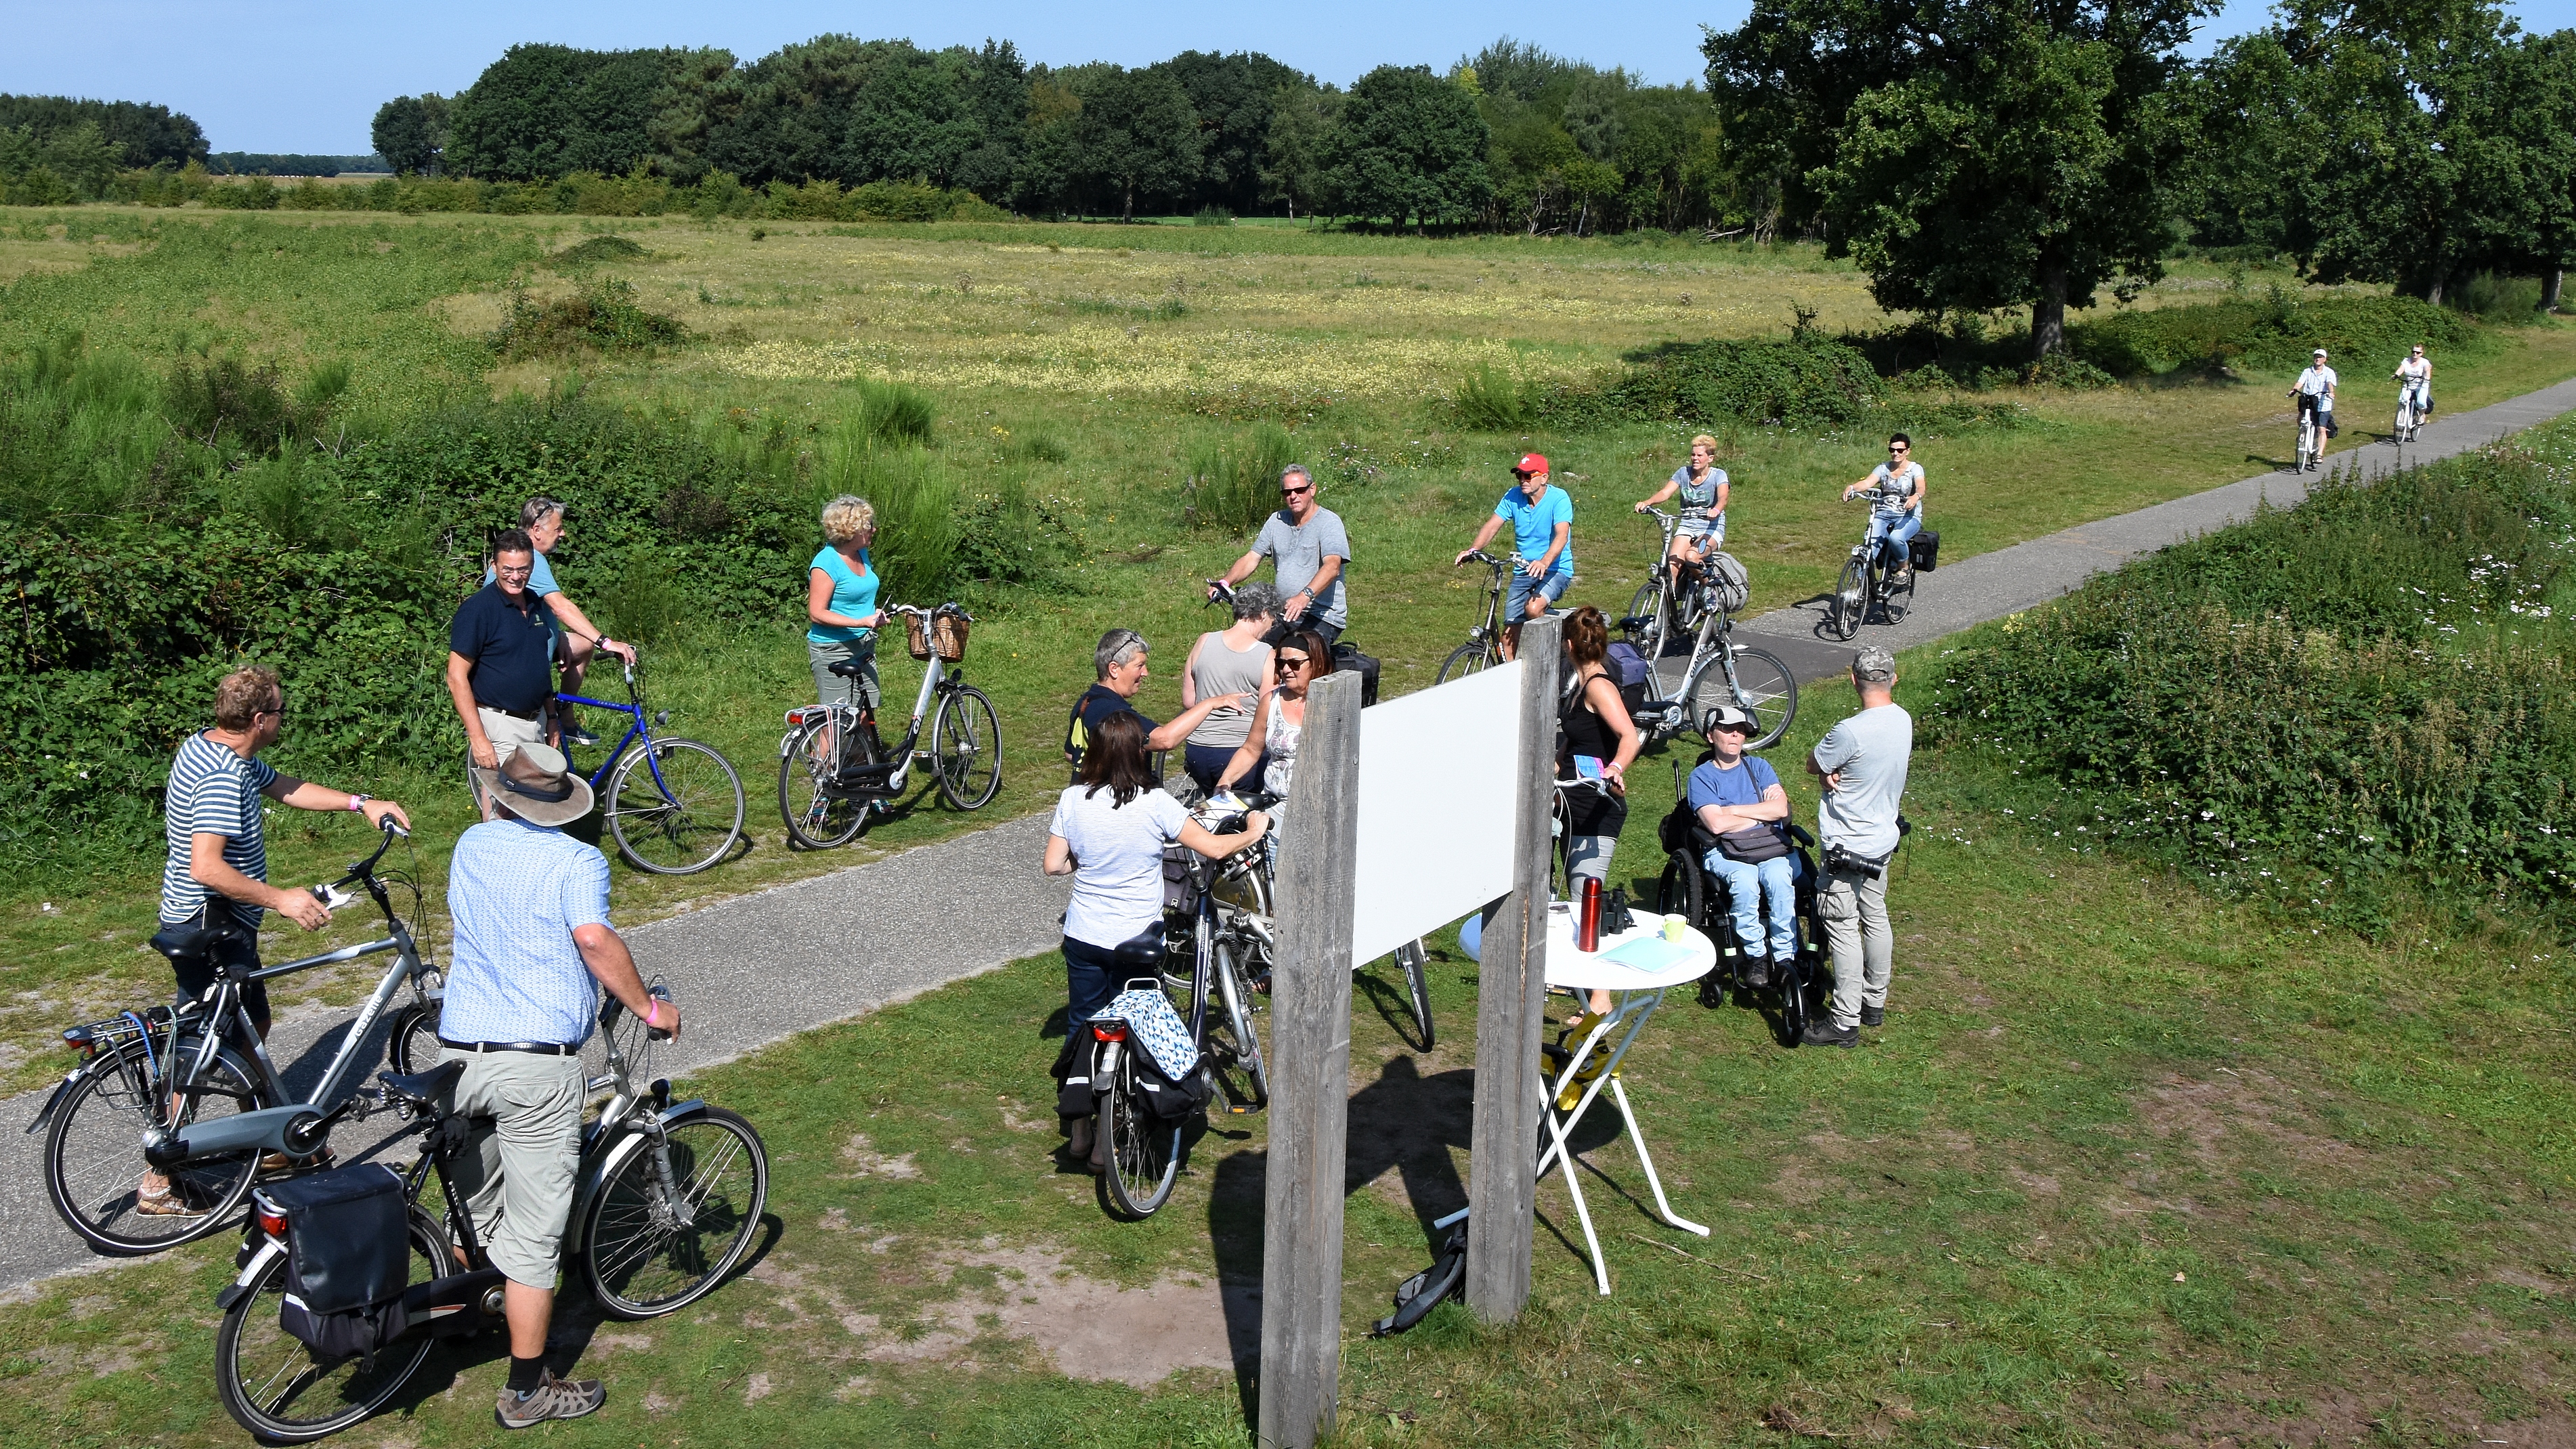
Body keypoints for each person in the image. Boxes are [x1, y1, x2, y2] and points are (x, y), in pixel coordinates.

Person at [442, 742, 675, 1427]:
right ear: (562, 805)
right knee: (535, 1237)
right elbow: (593, 941)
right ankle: (526, 1391)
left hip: (459, 1055)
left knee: (476, 1206)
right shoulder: (578, 860)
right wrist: (650, 1009)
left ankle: (465, 1315)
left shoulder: (471, 844)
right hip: (533, 1067)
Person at [141, 664, 411, 1215]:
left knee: (249, 1025)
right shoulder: (222, 777)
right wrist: (280, 898)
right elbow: (206, 867)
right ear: (261, 719)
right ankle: (160, 1177)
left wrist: (361, 803)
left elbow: (284, 787)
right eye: (281, 711)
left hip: (210, 919)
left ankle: (267, 1141)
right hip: (210, 922)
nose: (284, 718)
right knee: (204, 1042)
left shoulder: (214, 748)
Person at [1043, 712, 1268, 1169]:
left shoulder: (1072, 799)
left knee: (1083, 1024)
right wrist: (1254, 830)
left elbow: (1054, 865)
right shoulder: (1155, 803)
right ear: (1139, 755)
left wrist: (1088, 862)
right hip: (1135, 938)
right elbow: (1214, 848)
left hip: (1084, 934)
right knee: (1134, 1027)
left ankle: (1080, 1131)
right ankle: (1111, 1140)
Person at [1802, 646, 1912, 1049]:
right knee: (1876, 915)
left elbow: (1814, 764)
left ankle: (1845, 1020)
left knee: (1843, 926)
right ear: (1893, 679)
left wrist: (1826, 775)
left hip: (1846, 847)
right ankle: (1874, 1001)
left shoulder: (1848, 732)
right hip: (1882, 841)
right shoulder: (1903, 720)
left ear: (1853, 680)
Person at [482, 498, 635, 745]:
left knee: (582, 645)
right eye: (558, 528)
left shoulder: (524, 558)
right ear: (536, 530)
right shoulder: (528, 560)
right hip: (513, 663)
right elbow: (561, 607)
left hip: (525, 647)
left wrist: (558, 635)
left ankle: (566, 719)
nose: (562, 534)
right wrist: (606, 643)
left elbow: (536, 605)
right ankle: (555, 723)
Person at [1555, 605, 1640, 1020]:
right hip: (1573, 805)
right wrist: (1556, 764)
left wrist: (1616, 768)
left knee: (1586, 901)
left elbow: (1629, 736)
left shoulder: (1598, 687)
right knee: (1577, 898)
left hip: (1596, 810)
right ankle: (1580, 978)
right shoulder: (1580, 682)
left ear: (1569, 645)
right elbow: (1581, 740)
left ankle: (1601, 1000)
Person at [448, 529, 565, 821]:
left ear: (532, 567)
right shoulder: (477, 610)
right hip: (499, 723)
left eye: (523, 569)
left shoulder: (535, 604)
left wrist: (552, 717)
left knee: (535, 808)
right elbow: (456, 677)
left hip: (536, 721)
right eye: (508, 569)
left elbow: (540, 667)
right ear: (494, 566)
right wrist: (479, 738)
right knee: (504, 811)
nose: (515, 576)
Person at [1687, 704, 1796, 988]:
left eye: (1740, 730)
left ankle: (1785, 955)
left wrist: (1733, 810)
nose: (1735, 735)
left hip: (1767, 847)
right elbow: (1716, 825)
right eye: (1727, 729)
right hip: (1724, 850)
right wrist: (1760, 814)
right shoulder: (1701, 777)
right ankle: (1756, 954)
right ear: (1711, 736)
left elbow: (1780, 809)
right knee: (1745, 881)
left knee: (1779, 878)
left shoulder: (1759, 767)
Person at [1063, 628, 1255, 780]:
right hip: (1114, 809)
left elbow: (1071, 754)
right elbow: (1164, 740)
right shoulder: (1112, 712)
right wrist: (1211, 703)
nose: (1145, 673)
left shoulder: (1086, 701)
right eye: (1139, 665)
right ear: (1114, 669)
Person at [1212, 464, 1350, 645]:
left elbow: (1332, 566)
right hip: (1284, 613)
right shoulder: (1276, 521)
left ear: (1312, 489)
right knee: (1249, 646)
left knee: (1296, 652)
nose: (1293, 496)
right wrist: (1224, 583)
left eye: (1299, 490)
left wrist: (1304, 597)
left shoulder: (1329, 522)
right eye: (1287, 492)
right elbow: (1252, 558)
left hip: (1321, 616)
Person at [1454, 452, 1573, 661]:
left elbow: (1562, 535)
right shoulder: (1513, 496)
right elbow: (1493, 525)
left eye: (1528, 476)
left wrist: (1544, 562)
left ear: (1544, 478)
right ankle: (1512, 677)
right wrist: (1473, 550)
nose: (1522, 480)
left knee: (1533, 608)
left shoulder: (1559, 499)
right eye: (1519, 475)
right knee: (1509, 638)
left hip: (1555, 569)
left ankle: (1560, 652)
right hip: (1524, 571)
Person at [1213, 627, 1337, 801]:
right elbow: (1250, 749)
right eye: (1280, 663)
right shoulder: (1270, 701)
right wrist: (1226, 779)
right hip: (1275, 800)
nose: (1286, 670)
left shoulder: (1334, 702)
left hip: (1319, 802)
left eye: (1294, 664)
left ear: (1316, 663)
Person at [1182, 582, 1278, 794]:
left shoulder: (1204, 641)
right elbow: (1269, 713)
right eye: (1273, 620)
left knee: (1213, 808)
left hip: (1198, 750)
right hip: (1239, 755)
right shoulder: (1266, 655)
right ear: (1263, 613)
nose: (1271, 627)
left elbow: (1189, 701)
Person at [1633, 434, 1729, 589]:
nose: (1695, 458)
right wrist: (1647, 502)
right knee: (1671, 567)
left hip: (1710, 528)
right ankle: (1667, 603)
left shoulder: (1718, 475)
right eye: (1693, 455)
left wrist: (1716, 510)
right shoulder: (1683, 473)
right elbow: (1665, 492)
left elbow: (1723, 498)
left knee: (1691, 557)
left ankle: (1709, 589)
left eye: (1700, 455)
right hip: (1687, 526)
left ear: (1710, 458)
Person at [1842, 434, 1926, 584]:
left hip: (1908, 515)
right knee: (1869, 546)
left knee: (1896, 538)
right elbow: (1867, 483)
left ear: (1908, 451)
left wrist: (1915, 497)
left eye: (1900, 450)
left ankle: (1904, 567)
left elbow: (1921, 487)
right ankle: (1861, 584)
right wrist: (1852, 488)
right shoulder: (1883, 468)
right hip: (1883, 514)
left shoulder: (1915, 469)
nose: (1896, 453)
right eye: (1892, 450)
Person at [2293, 347, 2339, 456]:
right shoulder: (2307, 371)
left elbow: (2329, 383)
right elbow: (2300, 382)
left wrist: (2331, 392)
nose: (2318, 359)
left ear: (2325, 359)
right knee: (2300, 419)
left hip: (2323, 403)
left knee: (2321, 429)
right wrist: (2294, 390)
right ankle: (2307, 434)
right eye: (2316, 357)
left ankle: (2319, 454)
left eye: (2320, 357)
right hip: (2309, 401)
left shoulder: (2329, 372)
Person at [2394, 343, 2433, 429]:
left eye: (2418, 353)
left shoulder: (2424, 362)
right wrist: (2396, 375)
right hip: (2408, 384)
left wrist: (2427, 378)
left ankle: (2422, 415)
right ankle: (2401, 419)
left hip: (2421, 384)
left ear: (2422, 353)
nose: (2415, 354)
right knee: (2403, 401)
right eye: (2413, 352)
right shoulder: (2406, 361)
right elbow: (2401, 369)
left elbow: (2427, 370)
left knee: (2421, 402)